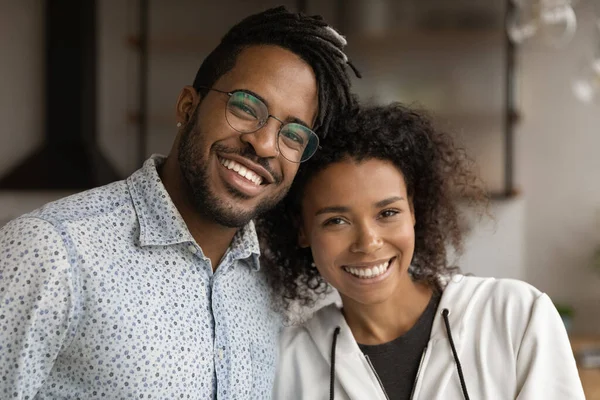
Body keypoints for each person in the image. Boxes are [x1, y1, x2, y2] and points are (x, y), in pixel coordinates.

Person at [0, 6, 359, 399]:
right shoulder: (49, 250)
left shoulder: (277, 285)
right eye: (245, 107)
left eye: (292, 134)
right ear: (187, 107)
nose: (264, 144)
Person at [257, 103, 585, 400]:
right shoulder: (288, 364)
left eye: (387, 213)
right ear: (302, 230)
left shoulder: (515, 316)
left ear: (413, 211)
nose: (368, 242)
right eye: (337, 220)